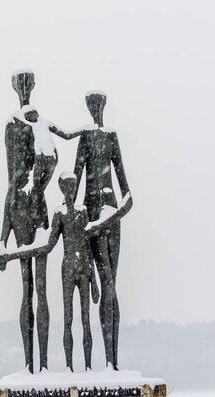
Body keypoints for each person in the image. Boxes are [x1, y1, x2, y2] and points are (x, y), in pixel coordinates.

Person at [0, 172, 132, 371]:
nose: (70, 191)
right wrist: (12, 255)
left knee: (85, 320)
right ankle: (69, 367)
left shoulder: (82, 211)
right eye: (66, 187)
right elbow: (47, 246)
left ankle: (87, 368)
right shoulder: (59, 214)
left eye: (72, 186)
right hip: (68, 268)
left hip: (83, 268)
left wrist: (93, 279)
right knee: (68, 318)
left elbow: (86, 243)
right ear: (62, 189)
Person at [50, 90, 132, 370]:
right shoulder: (85, 138)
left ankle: (112, 362)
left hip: (109, 214)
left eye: (98, 105)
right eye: (91, 105)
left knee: (111, 286)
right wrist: (70, 218)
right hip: (91, 212)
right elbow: (74, 177)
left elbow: (128, 194)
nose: (95, 109)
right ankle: (104, 362)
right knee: (103, 283)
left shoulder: (111, 136)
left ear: (103, 106)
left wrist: (110, 217)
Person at [0, 70, 58, 373]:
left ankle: (43, 365)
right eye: (20, 84)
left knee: (42, 288)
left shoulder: (39, 123)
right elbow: (11, 179)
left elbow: (51, 157)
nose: (24, 88)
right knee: (28, 288)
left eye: (27, 84)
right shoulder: (13, 124)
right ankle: (30, 366)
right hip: (23, 206)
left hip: (35, 204)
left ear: (32, 86)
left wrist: (38, 183)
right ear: (15, 88)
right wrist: (2, 234)